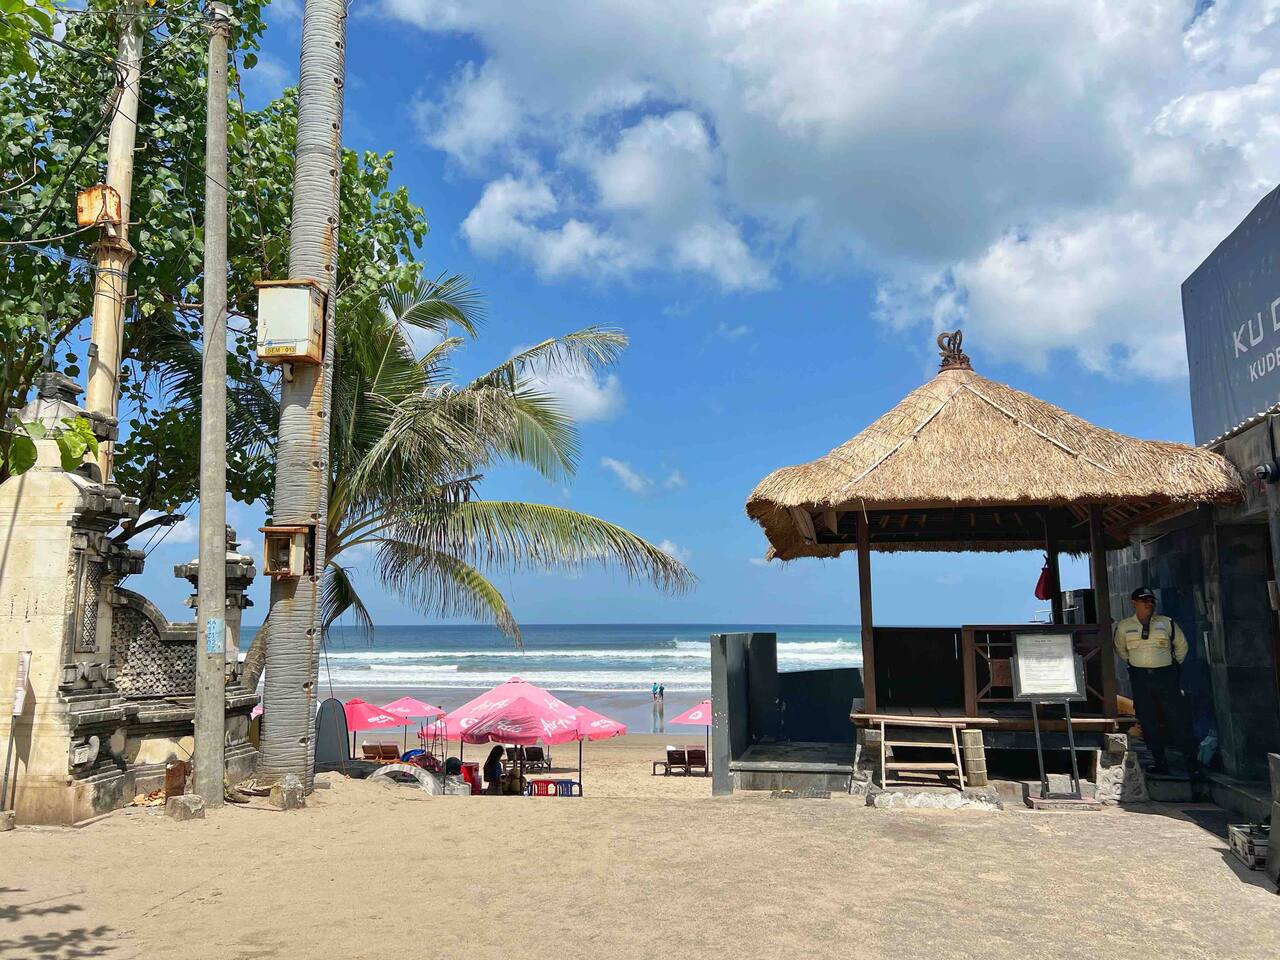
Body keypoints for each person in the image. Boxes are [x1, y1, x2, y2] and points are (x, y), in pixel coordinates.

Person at [1114, 586, 1198, 776]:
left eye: (1151, 601)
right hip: (1141, 678)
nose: (1149, 604)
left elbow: (1181, 647)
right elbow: (1121, 650)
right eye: (1144, 600)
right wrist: (1137, 664)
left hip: (1165, 676)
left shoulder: (1167, 623)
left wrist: (1170, 667)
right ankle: (1159, 761)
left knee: (1177, 717)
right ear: (1134, 603)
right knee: (1148, 719)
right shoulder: (1125, 626)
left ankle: (1191, 763)